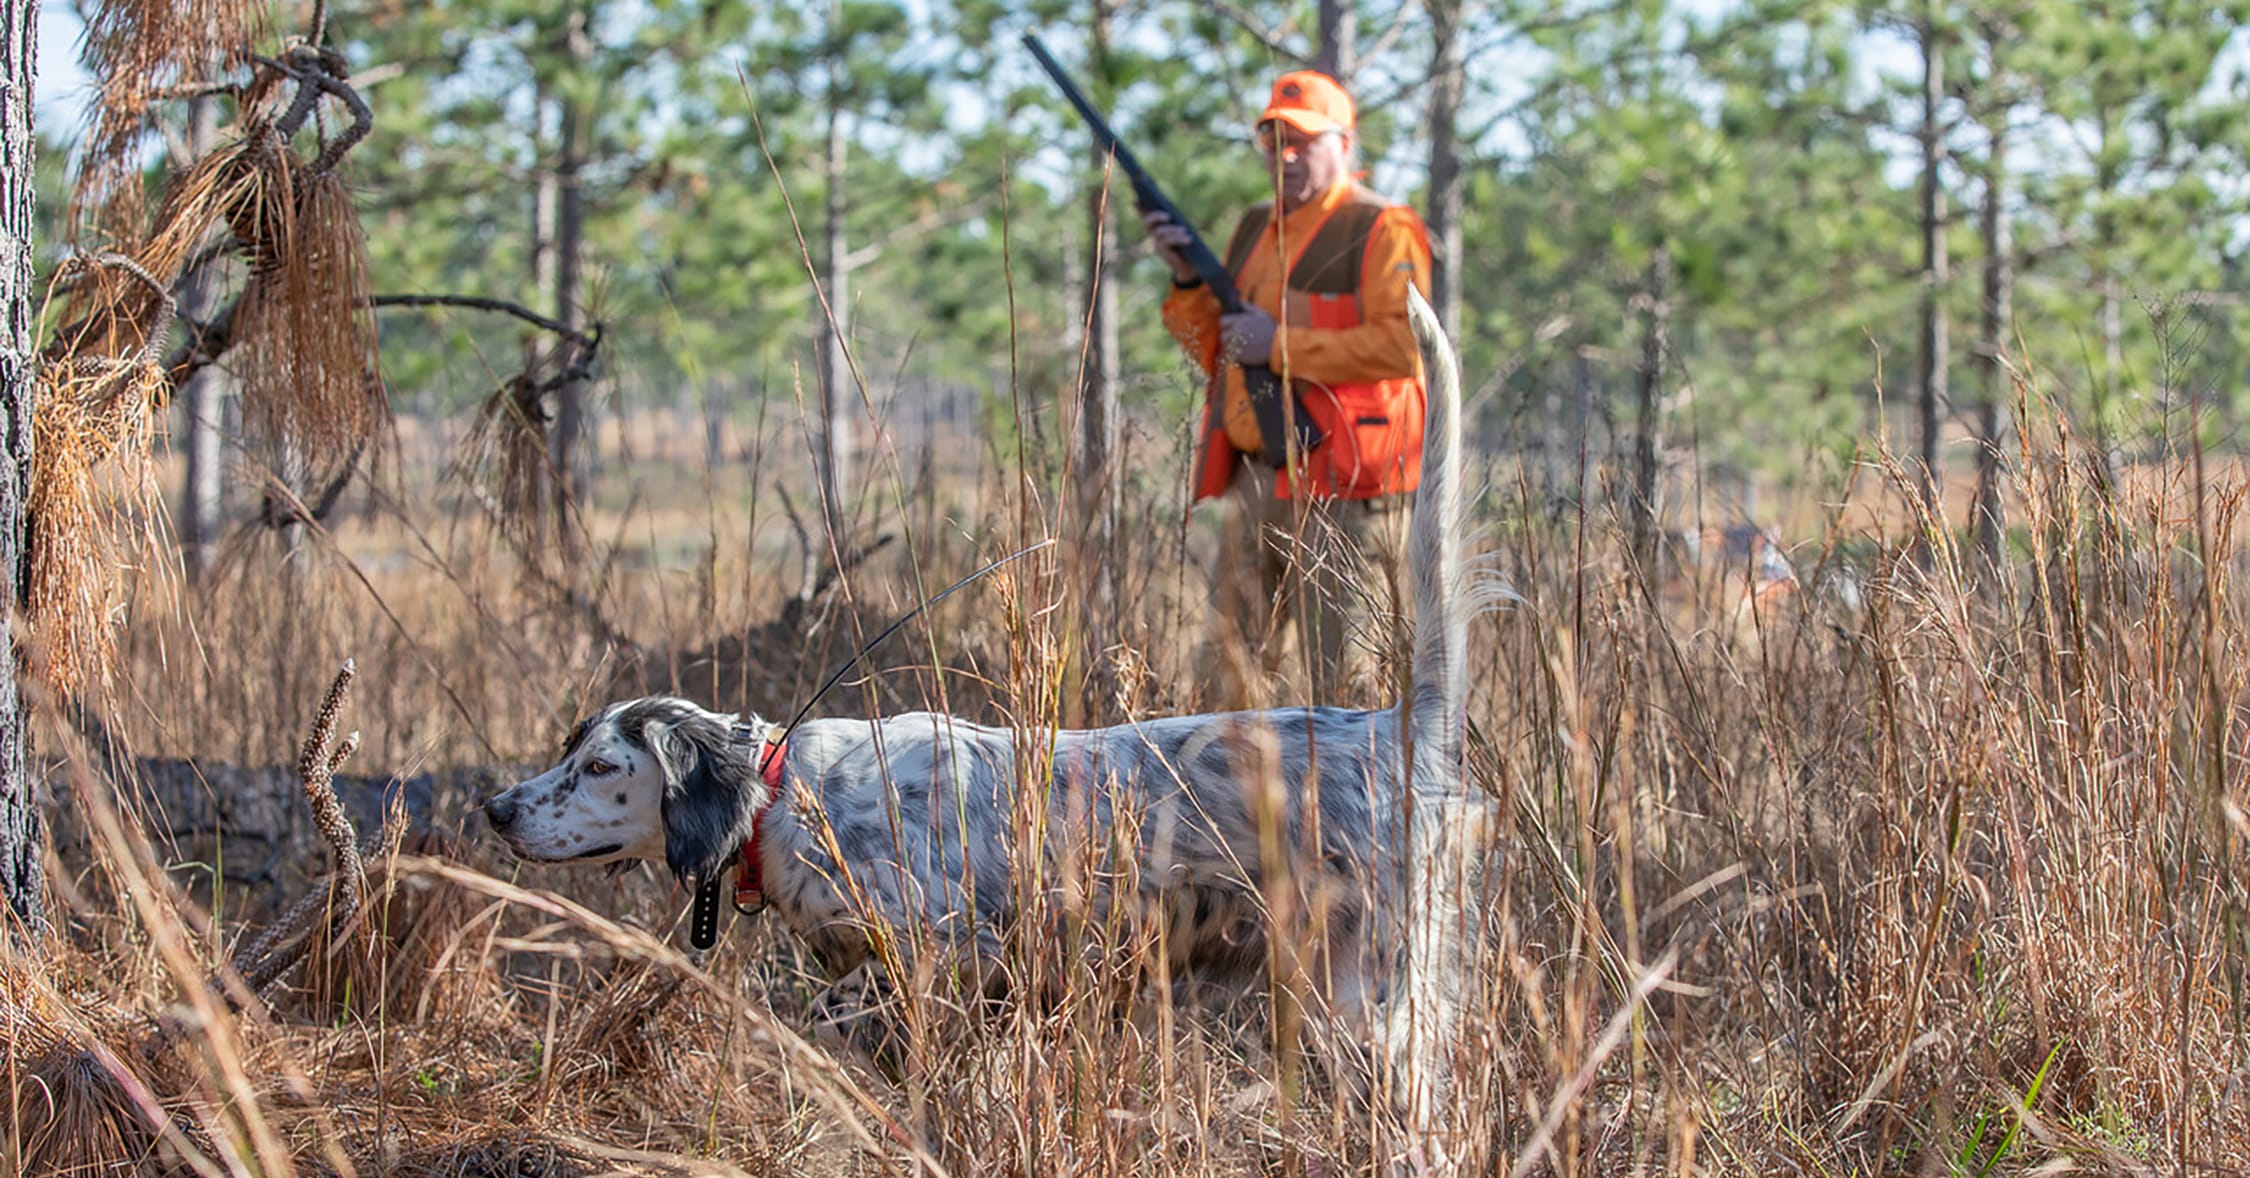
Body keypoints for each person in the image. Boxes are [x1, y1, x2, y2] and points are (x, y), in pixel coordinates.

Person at [1145, 70, 1434, 708]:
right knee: (1225, 686)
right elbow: (1215, 348)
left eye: (1304, 140)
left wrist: (1280, 343)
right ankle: (1231, 808)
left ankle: (1364, 808)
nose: (1289, 155)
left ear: (1345, 142)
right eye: (1276, 141)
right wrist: (1189, 282)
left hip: (1345, 496)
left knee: (1351, 691)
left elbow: (1405, 346)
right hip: (1255, 482)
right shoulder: (1255, 227)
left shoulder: (1382, 227)